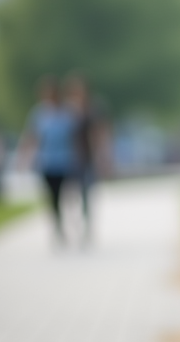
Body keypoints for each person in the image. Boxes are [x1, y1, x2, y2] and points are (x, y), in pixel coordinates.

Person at [17, 76, 78, 247]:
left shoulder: (67, 113)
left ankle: (67, 221)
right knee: (51, 198)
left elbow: (74, 138)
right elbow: (31, 137)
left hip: (65, 161)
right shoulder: (39, 114)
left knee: (65, 195)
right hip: (47, 162)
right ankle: (58, 227)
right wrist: (24, 158)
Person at [65, 73, 110, 242]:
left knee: (86, 193)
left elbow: (101, 132)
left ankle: (86, 225)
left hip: (88, 157)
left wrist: (103, 156)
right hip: (70, 158)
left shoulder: (94, 109)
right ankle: (73, 220)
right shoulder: (68, 110)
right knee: (70, 194)